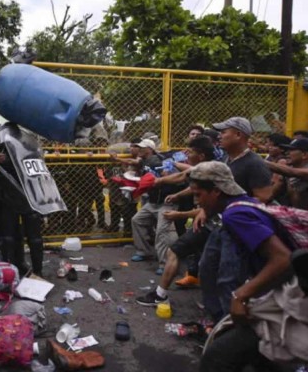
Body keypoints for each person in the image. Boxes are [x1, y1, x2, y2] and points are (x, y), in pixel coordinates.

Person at [187, 162, 294, 372]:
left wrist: (241, 296)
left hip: (282, 297)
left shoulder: (235, 215)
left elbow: (283, 258)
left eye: (199, 194)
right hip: (278, 294)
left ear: (217, 191)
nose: (196, 201)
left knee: (216, 360)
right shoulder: (245, 203)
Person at [136, 136, 215, 306]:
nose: (187, 153)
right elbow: (183, 177)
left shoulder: (210, 170)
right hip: (206, 219)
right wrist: (170, 188)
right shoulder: (202, 168)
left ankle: (218, 305)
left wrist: (182, 214)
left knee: (212, 261)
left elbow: (183, 177)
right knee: (184, 252)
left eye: (191, 151)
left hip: (217, 222)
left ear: (200, 155)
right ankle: (162, 293)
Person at [118, 139, 181, 275]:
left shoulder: (158, 161)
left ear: (150, 149)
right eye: (139, 147)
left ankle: (165, 264)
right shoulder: (145, 160)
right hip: (153, 202)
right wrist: (116, 158)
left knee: (161, 231)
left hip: (166, 201)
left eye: (142, 147)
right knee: (137, 220)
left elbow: (168, 175)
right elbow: (133, 162)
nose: (139, 149)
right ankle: (144, 251)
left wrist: (163, 176)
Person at [266, 138, 308, 210]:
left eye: (291, 150)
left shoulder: (289, 171)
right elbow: (269, 195)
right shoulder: (286, 172)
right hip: (296, 214)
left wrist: (258, 161)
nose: (287, 153)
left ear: (304, 154)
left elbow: (292, 172)